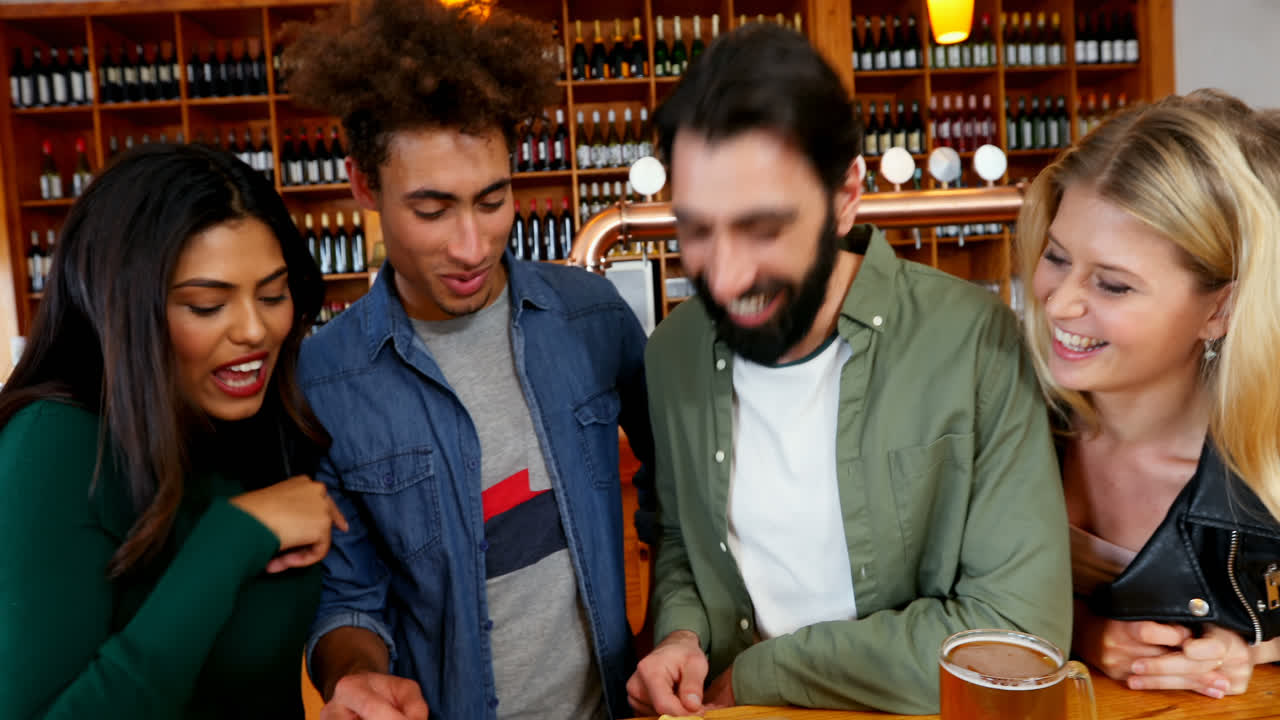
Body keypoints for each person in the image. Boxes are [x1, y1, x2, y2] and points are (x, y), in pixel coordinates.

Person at [628, 23, 1071, 716]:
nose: (726, 272)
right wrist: (682, 634)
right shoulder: (671, 353)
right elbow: (685, 543)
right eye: (696, 228)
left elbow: (1015, 636)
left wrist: (764, 672)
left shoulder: (975, 341)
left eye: (763, 227)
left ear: (846, 196)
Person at [284, 1, 654, 718]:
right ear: (364, 185)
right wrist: (352, 677)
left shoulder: (593, 318)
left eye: (493, 199)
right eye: (431, 210)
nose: (471, 245)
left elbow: (675, 504)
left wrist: (665, 633)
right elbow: (349, 595)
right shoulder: (325, 382)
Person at [0, 143, 347, 718]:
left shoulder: (252, 421)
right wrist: (231, 540)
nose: (256, 330)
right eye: (208, 306)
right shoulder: (54, 447)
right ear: (123, 310)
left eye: (273, 294)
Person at [1015, 89, 1280, 700]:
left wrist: (1250, 647)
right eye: (1056, 257)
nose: (1058, 303)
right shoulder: (996, 402)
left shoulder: (1264, 451)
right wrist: (1080, 633)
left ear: (1220, 309)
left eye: (1112, 285)